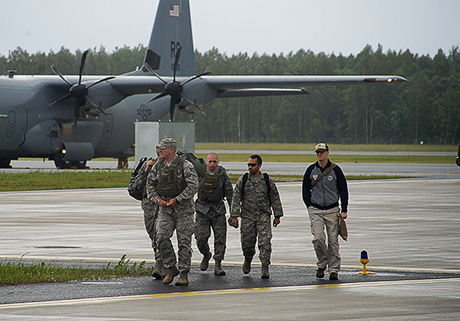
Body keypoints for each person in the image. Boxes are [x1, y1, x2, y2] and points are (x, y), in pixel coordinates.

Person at [146, 138, 199, 286]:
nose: (159, 151)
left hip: (184, 210)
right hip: (165, 209)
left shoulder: (185, 165)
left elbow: (193, 186)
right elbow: (149, 185)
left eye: (162, 148)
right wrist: (157, 199)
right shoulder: (158, 166)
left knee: (184, 242)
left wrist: (178, 198)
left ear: (171, 150)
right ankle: (171, 268)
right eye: (158, 148)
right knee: (161, 237)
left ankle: (183, 273)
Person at [230, 154, 284, 279]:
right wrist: (234, 216)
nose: (250, 167)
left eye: (253, 165)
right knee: (247, 243)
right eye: (248, 164)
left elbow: (274, 197)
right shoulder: (243, 180)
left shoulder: (266, 180)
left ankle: (265, 266)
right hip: (247, 216)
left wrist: (277, 215)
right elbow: (236, 198)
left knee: (265, 242)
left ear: (259, 165)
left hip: (263, 215)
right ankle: (248, 258)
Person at [302, 143, 348, 281]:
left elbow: (343, 190)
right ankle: (322, 264)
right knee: (318, 239)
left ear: (328, 152)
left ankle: (333, 269)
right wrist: (309, 206)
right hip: (315, 209)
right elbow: (305, 190)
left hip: (332, 209)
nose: (319, 154)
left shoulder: (336, 170)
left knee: (333, 241)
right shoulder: (311, 170)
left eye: (322, 152)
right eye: (317, 152)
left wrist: (344, 209)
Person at [195, 153, 233, 276]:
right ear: (206, 162)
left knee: (220, 239)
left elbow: (229, 194)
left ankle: (218, 264)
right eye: (210, 162)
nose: (212, 164)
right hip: (202, 210)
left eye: (214, 162)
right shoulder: (200, 174)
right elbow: (190, 188)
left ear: (218, 162)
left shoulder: (222, 175)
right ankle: (206, 254)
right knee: (201, 237)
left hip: (218, 210)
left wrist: (234, 214)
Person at [133, 155, 165, 279]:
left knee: (162, 234)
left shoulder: (171, 165)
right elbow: (138, 185)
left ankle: (161, 262)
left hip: (164, 203)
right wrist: (146, 169)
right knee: (152, 232)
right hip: (149, 204)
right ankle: (163, 260)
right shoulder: (148, 164)